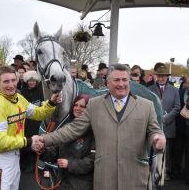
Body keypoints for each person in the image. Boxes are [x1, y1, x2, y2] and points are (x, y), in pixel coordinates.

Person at [33, 63, 166, 190]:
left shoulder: (146, 106)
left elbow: (154, 130)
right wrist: (44, 139)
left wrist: (157, 137)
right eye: (117, 80)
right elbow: (72, 129)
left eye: (125, 80)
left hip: (134, 177)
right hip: (104, 179)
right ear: (108, 83)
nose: (121, 84)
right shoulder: (94, 105)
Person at [0, 65, 62, 190]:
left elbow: (38, 113)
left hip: (14, 157)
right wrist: (29, 141)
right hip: (0, 160)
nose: (11, 85)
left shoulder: (18, 98)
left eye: (13, 80)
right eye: (6, 81)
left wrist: (51, 102)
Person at [42, 94, 95, 190]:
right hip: (62, 183)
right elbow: (55, 153)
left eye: (82, 106)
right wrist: (42, 150)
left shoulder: (94, 132)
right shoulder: (67, 128)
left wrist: (69, 164)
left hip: (82, 185)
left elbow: (92, 161)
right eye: (75, 105)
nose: (77, 108)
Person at [148, 62, 180, 181]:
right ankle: (154, 172)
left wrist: (165, 118)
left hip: (169, 126)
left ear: (167, 77)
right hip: (153, 126)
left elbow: (177, 107)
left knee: (167, 151)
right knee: (154, 150)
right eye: (159, 76)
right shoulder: (150, 89)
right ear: (156, 76)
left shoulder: (174, 90)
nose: (161, 78)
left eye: (164, 76)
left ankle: (165, 172)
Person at [20, 70, 44, 172]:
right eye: (30, 80)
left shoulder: (40, 91)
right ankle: (23, 162)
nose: (32, 82)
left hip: (36, 121)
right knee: (24, 140)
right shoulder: (22, 91)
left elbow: (43, 104)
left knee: (34, 140)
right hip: (25, 121)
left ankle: (32, 163)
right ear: (26, 81)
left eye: (34, 80)